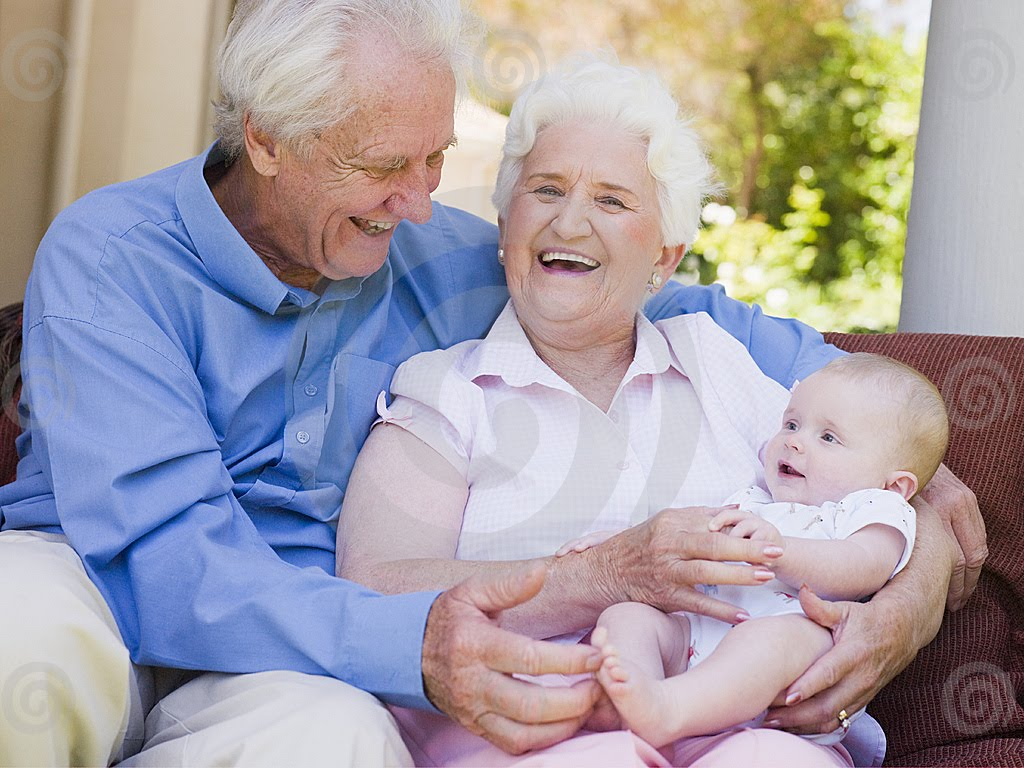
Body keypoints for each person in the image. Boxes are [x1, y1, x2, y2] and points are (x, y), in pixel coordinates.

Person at [0, 2, 937, 765]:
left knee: (332, 740)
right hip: (99, 581)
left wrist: (919, 567)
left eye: (436, 160)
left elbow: (826, 387)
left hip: (296, 647)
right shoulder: (111, 259)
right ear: (267, 140)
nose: (417, 204)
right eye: (381, 168)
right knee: (17, 646)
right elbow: (166, 566)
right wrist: (412, 644)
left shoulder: (444, 249)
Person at [335, 57, 976, 767]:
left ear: (664, 258)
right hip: (531, 726)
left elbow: (876, 476)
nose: (569, 220)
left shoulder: (718, 360)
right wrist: (596, 577)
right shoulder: (446, 393)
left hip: (743, 725)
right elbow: (372, 592)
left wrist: (909, 596)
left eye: (612, 201)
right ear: (506, 222)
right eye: (545, 189)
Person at [579, 353, 948, 749]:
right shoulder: (756, 499)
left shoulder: (875, 510)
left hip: (790, 657)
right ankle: (629, 694)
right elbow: (682, 537)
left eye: (828, 437)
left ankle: (667, 710)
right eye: (791, 424)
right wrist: (617, 543)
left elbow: (862, 566)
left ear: (893, 486)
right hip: (699, 638)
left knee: (776, 639)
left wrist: (781, 550)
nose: (793, 440)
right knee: (629, 616)